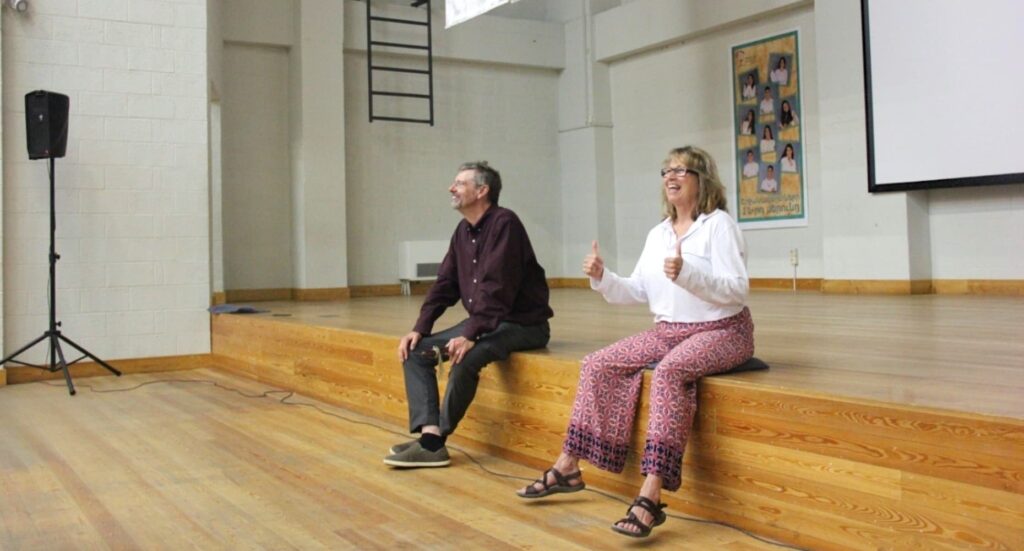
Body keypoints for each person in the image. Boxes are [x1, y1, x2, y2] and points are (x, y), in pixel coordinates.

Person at [515, 146, 754, 539]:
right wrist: (602, 276)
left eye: (681, 170)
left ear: (702, 178)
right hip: (668, 331)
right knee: (597, 363)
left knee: (669, 373)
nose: (671, 177)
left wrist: (688, 274)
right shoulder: (658, 233)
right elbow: (636, 290)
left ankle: (651, 493)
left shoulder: (718, 225)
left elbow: (737, 290)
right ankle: (568, 465)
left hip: (722, 330)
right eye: (666, 171)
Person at [385, 161, 554, 468]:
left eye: (460, 183)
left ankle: (435, 444)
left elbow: (497, 288)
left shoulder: (505, 224)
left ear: (482, 191)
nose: (452, 188)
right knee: (415, 351)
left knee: (465, 357)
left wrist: (470, 335)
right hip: (485, 321)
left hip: (522, 324)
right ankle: (429, 435)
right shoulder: (462, 232)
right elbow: (445, 284)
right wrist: (419, 328)